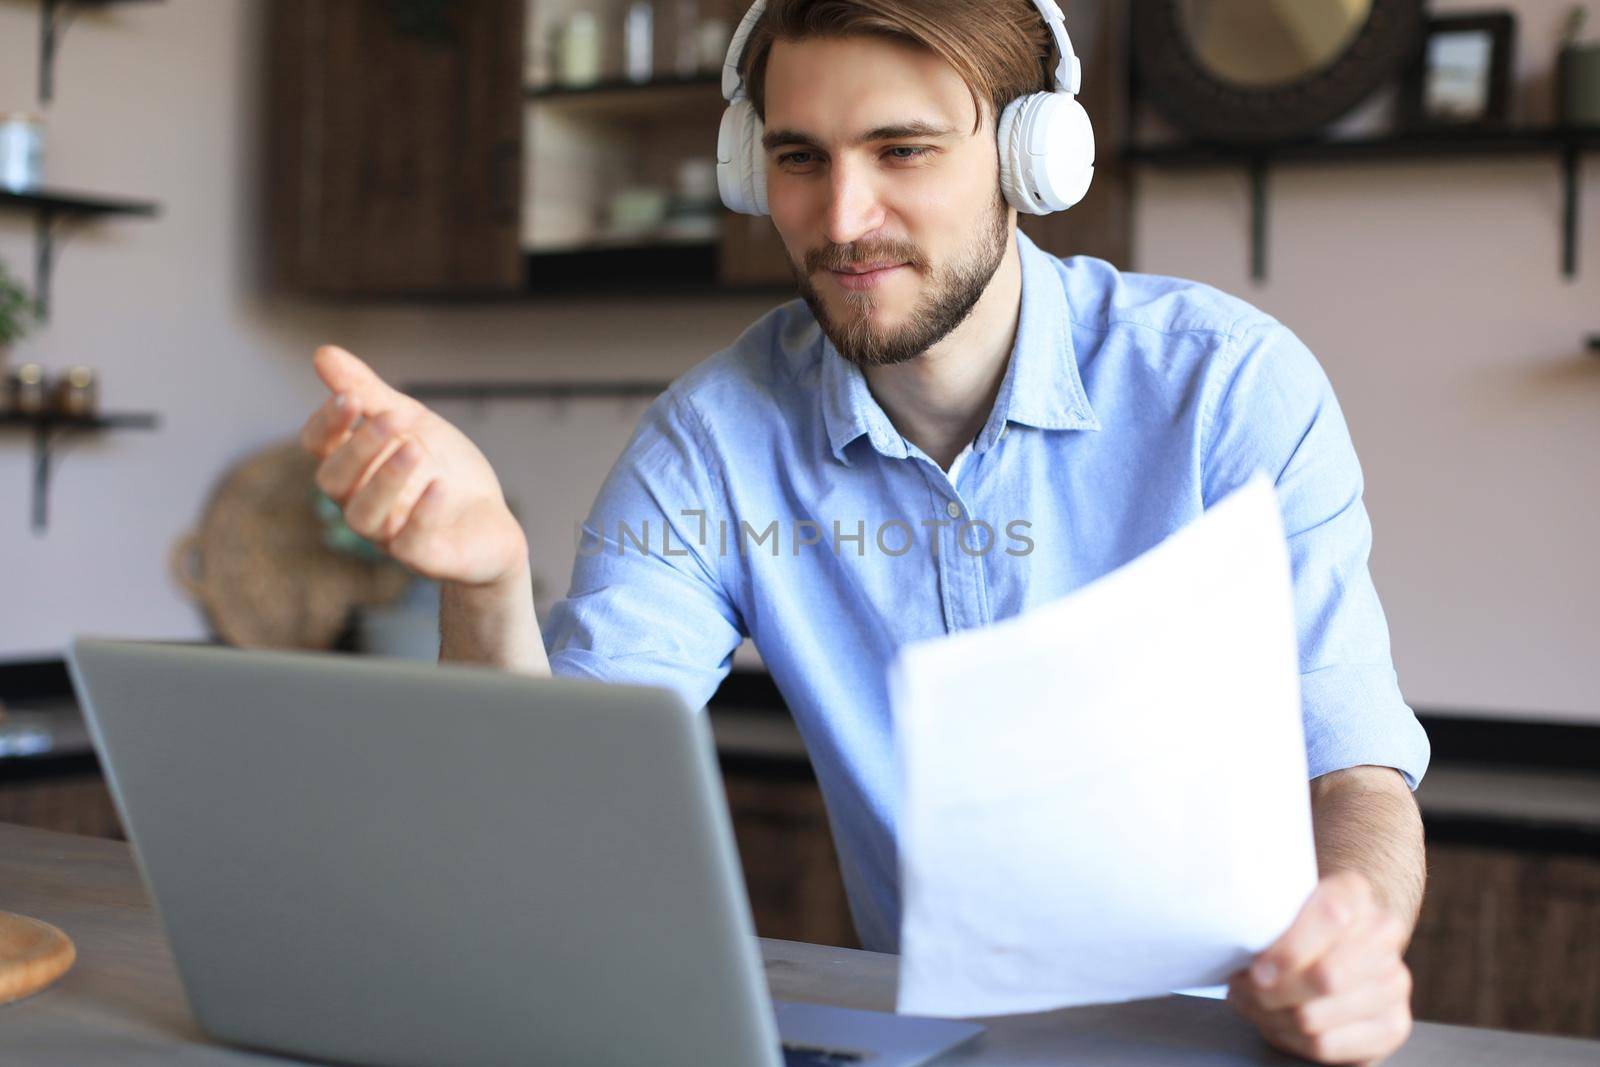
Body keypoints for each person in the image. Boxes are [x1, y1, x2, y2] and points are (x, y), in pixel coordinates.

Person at [299, 2, 1427, 1062]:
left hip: (1226, 1037)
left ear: (1034, 158)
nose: (841, 221)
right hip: (929, 1044)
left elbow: (1353, 771)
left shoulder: (1225, 385)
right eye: (799, 158)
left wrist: (1353, 934)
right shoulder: (712, 439)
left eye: (903, 150)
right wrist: (489, 578)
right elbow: (540, 827)